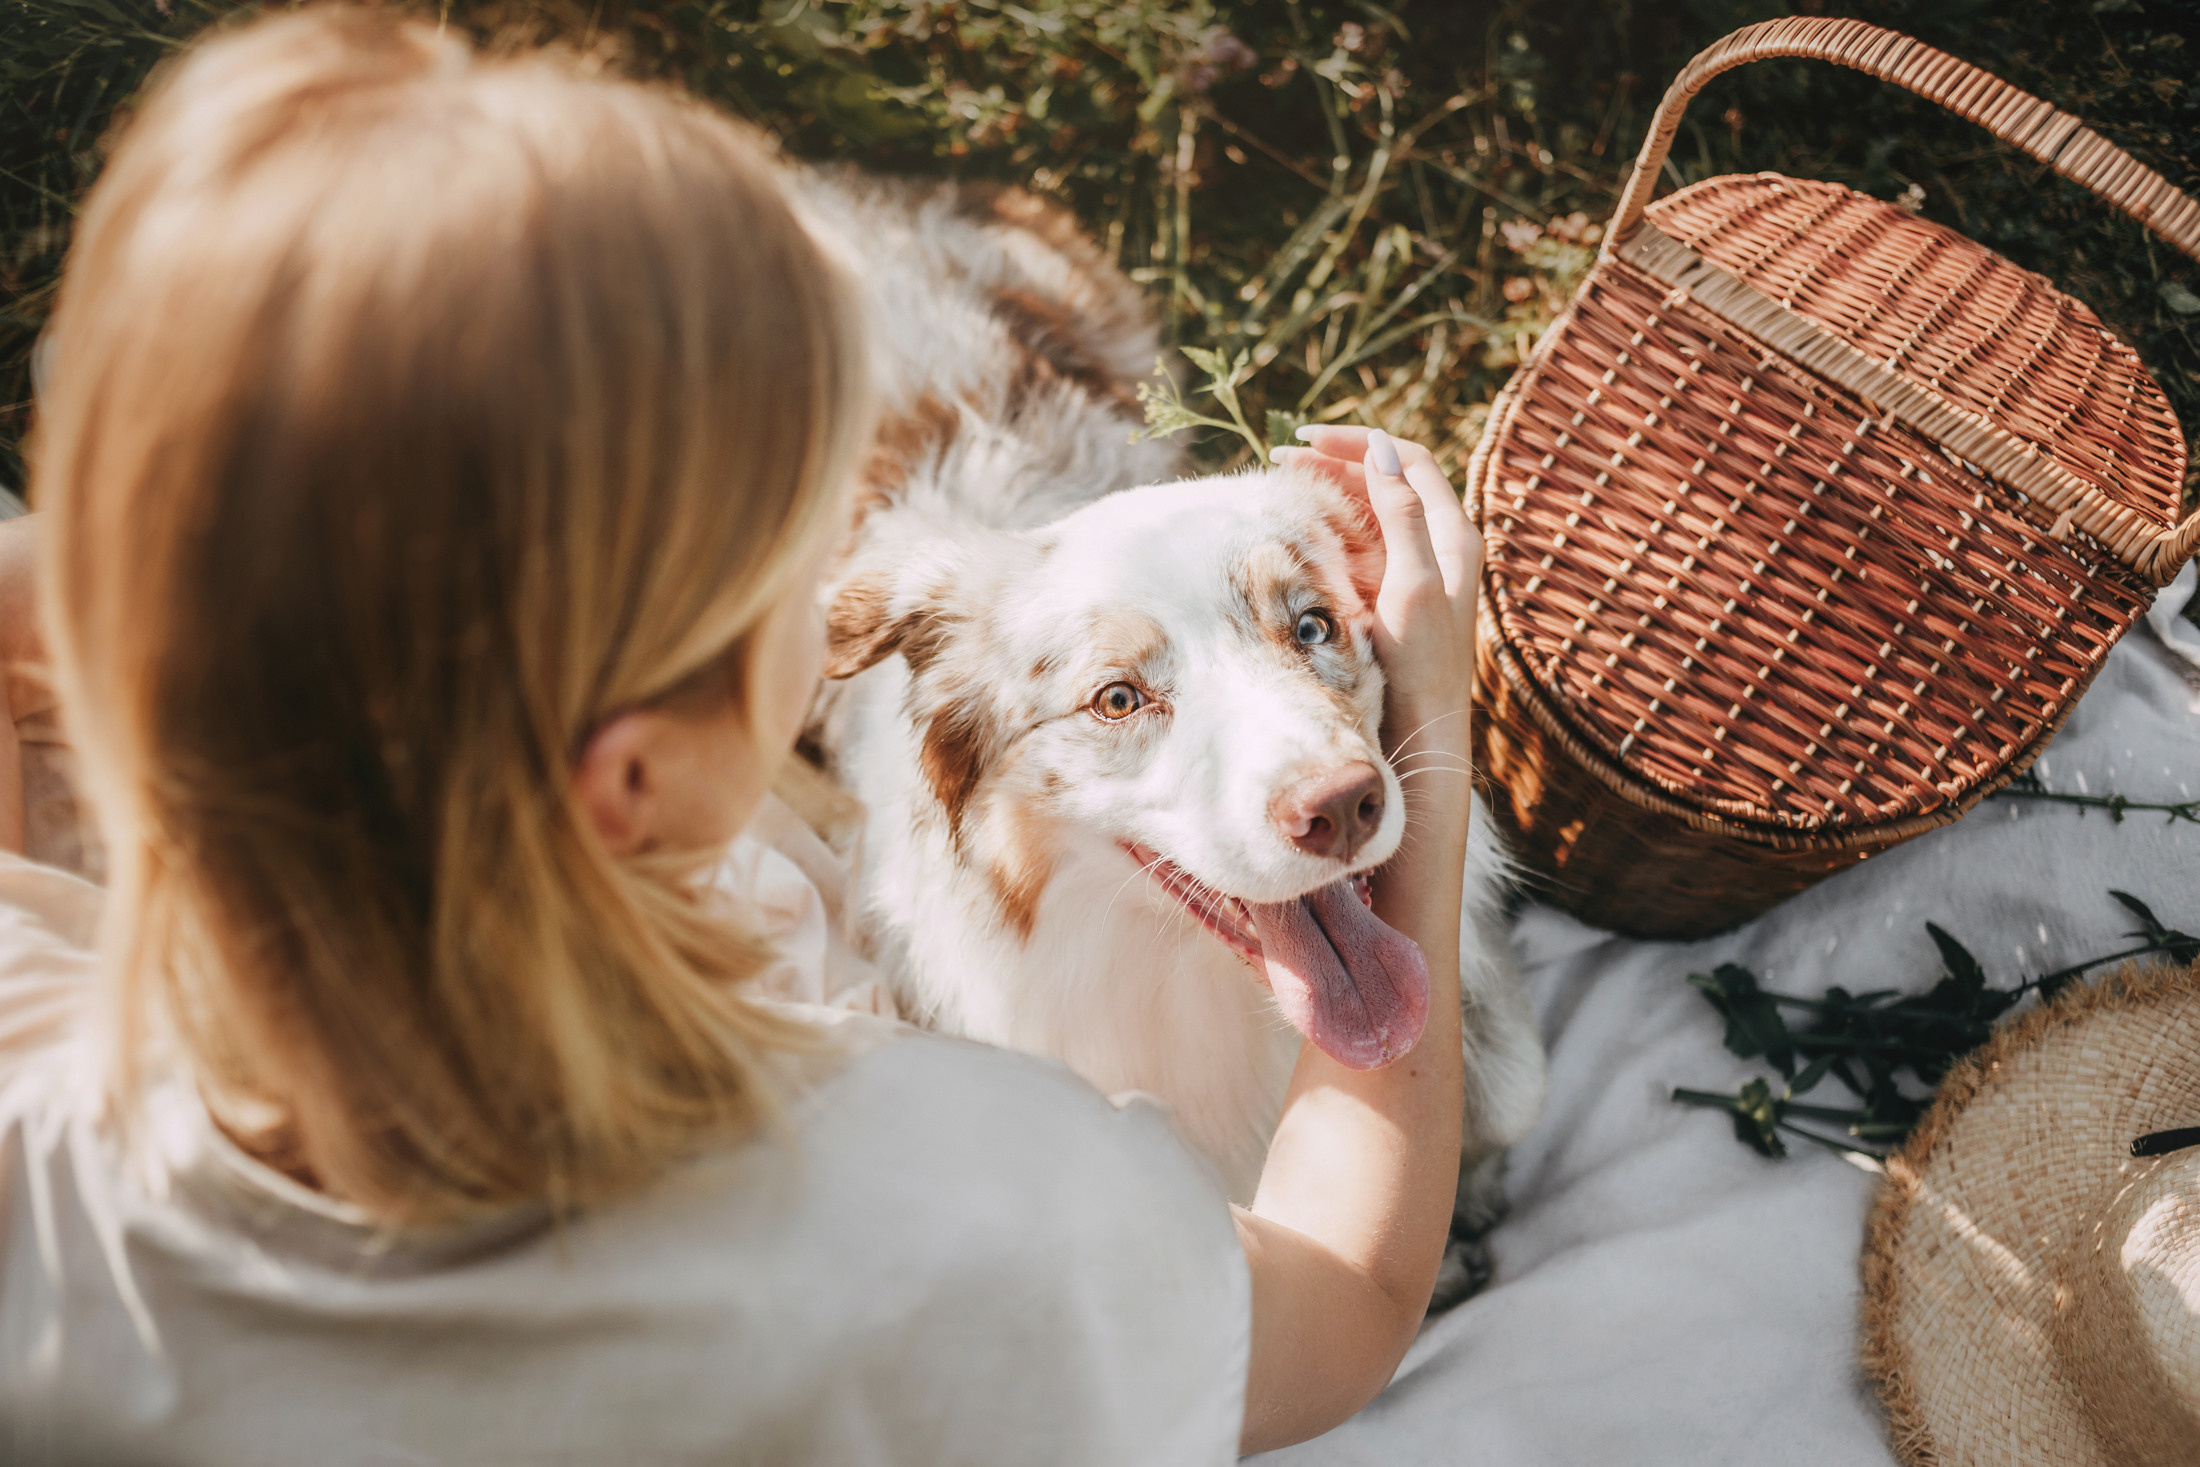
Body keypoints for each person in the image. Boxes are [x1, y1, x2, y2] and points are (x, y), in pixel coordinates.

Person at [0, 9, 1484, 1462]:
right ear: (630, 781)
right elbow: (1343, 1298)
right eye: (795, 558)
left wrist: (197, 578)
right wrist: (1436, 727)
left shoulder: (37, 1138)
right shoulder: (955, 1205)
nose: (841, 586)